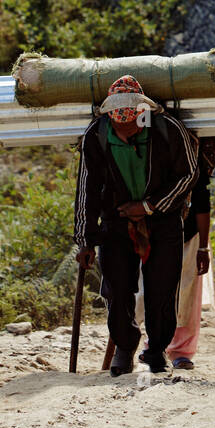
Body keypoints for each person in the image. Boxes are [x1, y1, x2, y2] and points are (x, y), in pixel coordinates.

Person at [74, 74, 198, 376]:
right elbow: (86, 188)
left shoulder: (168, 129)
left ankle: (156, 351)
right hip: (116, 223)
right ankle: (126, 346)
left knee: (162, 290)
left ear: (143, 113)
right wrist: (85, 240)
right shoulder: (97, 134)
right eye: (119, 127)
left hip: (163, 220)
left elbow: (188, 175)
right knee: (116, 289)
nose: (124, 132)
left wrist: (147, 206)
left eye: (130, 126)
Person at [138, 135, 215, 371]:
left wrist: (203, 247)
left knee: (186, 295)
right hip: (150, 233)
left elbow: (202, 203)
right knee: (149, 292)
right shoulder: (146, 164)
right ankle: (152, 345)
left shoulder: (192, 167)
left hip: (188, 236)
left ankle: (181, 350)